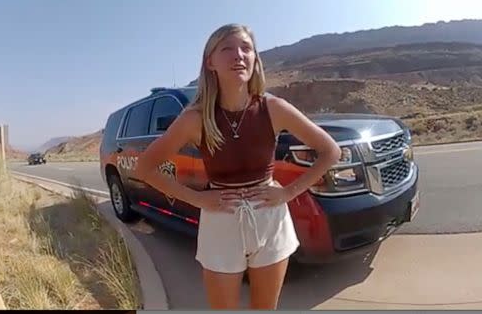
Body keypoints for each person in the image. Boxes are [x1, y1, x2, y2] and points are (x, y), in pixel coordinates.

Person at [135, 23, 341, 309]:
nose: (239, 55)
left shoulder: (274, 108)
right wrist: (197, 198)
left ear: (255, 58)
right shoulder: (195, 119)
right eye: (227, 49)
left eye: (246, 48)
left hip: (270, 218)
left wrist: (288, 193)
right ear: (211, 62)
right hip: (221, 222)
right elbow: (144, 167)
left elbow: (330, 151)